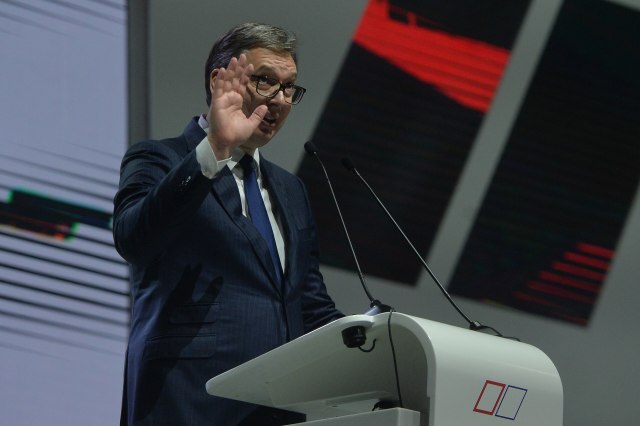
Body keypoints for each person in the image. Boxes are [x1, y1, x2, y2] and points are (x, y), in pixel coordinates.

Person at [113, 23, 343, 425]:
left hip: (276, 408)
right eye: (265, 81)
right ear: (219, 81)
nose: (280, 100)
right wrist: (216, 147)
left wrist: (380, 340)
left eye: (289, 87)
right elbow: (134, 240)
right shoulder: (158, 158)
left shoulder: (291, 190)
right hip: (187, 399)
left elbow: (308, 304)